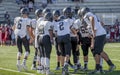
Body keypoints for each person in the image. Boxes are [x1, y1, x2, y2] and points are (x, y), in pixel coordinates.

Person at [80, 7, 116, 74]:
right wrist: (92, 41)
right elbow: (102, 23)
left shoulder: (88, 14)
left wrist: (93, 30)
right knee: (97, 52)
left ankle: (109, 66)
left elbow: (92, 19)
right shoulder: (92, 17)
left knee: (98, 51)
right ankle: (100, 68)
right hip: (100, 34)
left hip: (99, 35)